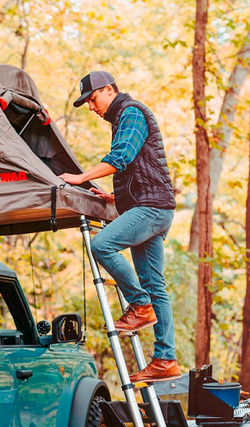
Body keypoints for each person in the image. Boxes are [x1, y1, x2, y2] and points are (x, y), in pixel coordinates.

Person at [60, 71, 180, 383]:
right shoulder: (123, 119)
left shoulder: (131, 113)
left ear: (109, 89)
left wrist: (80, 177)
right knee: (156, 287)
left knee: (102, 245)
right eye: (87, 103)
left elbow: (122, 158)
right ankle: (166, 359)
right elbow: (142, 168)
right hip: (150, 205)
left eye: (92, 99)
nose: (91, 107)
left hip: (151, 209)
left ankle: (139, 305)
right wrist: (115, 196)